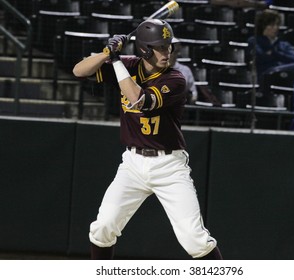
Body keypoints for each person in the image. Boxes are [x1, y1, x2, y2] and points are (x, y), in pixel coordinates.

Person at [73, 19, 223, 260]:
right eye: (160, 47)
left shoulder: (175, 79)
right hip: (133, 164)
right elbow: (79, 71)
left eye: (168, 46)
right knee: (103, 228)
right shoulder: (130, 66)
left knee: (195, 240)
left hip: (169, 166)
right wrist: (105, 53)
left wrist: (114, 60)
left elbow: (138, 100)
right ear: (144, 50)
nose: (168, 52)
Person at [246, 9, 294, 86]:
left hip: (284, 72)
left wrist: (274, 54)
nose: (275, 28)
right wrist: (281, 56)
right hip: (266, 73)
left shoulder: (284, 44)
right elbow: (260, 57)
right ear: (263, 26)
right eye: (272, 25)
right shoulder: (254, 40)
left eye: (277, 25)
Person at [169, 38, 198, 104]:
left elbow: (194, 93)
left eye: (173, 52)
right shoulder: (155, 69)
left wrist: (192, 98)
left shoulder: (185, 70)